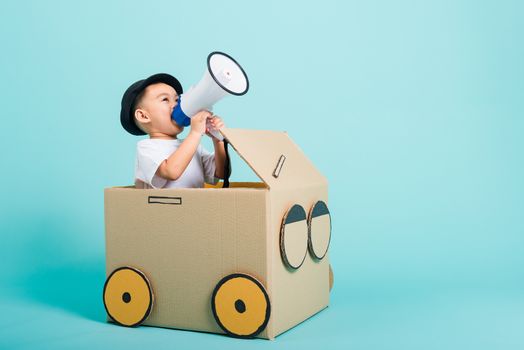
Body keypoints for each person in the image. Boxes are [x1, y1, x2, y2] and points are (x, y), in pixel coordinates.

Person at [120, 73, 227, 189]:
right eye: (165, 99)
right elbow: (171, 172)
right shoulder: (146, 148)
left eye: (177, 99)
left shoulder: (193, 146)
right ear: (143, 116)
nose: (176, 105)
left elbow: (222, 173)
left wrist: (218, 141)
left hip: (195, 207)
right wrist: (195, 133)